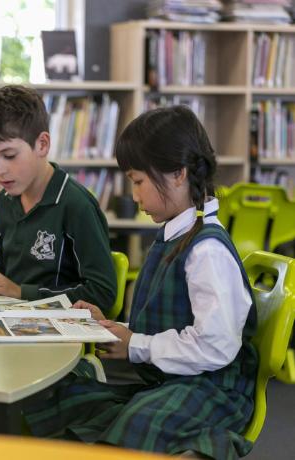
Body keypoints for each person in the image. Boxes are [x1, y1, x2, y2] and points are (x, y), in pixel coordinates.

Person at [23, 106, 258, 460]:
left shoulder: (207, 250)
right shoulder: (174, 234)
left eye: (138, 181)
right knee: (61, 396)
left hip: (213, 389)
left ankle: (203, 445)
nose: (134, 196)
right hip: (172, 380)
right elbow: (169, 326)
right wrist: (111, 328)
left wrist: (136, 344)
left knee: (136, 422)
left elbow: (214, 347)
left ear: (178, 174)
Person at [0, 85, 116, 309]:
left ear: (42, 145)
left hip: (57, 327)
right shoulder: (6, 199)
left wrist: (22, 293)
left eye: (9, 155)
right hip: (10, 319)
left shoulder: (77, 205)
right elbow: (5, 272)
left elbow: (102, 293)